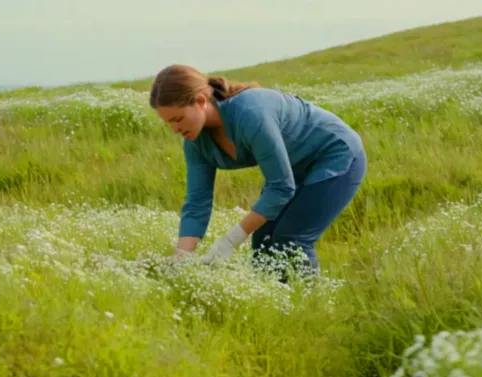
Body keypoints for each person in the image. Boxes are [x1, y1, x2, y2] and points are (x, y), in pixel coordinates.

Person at [149, 64, 367, 277]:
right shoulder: (195, 141)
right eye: (169, 123)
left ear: (200, 101)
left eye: (178, 119)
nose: (175, 130)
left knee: (290, 240)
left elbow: (281, 188)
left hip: (335, 155)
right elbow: (197, 201)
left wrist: (229, 241)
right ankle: (278, 306)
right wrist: (181, 257)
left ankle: (311, 306)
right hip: (294, 166)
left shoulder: (250, 114)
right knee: (263, 241)